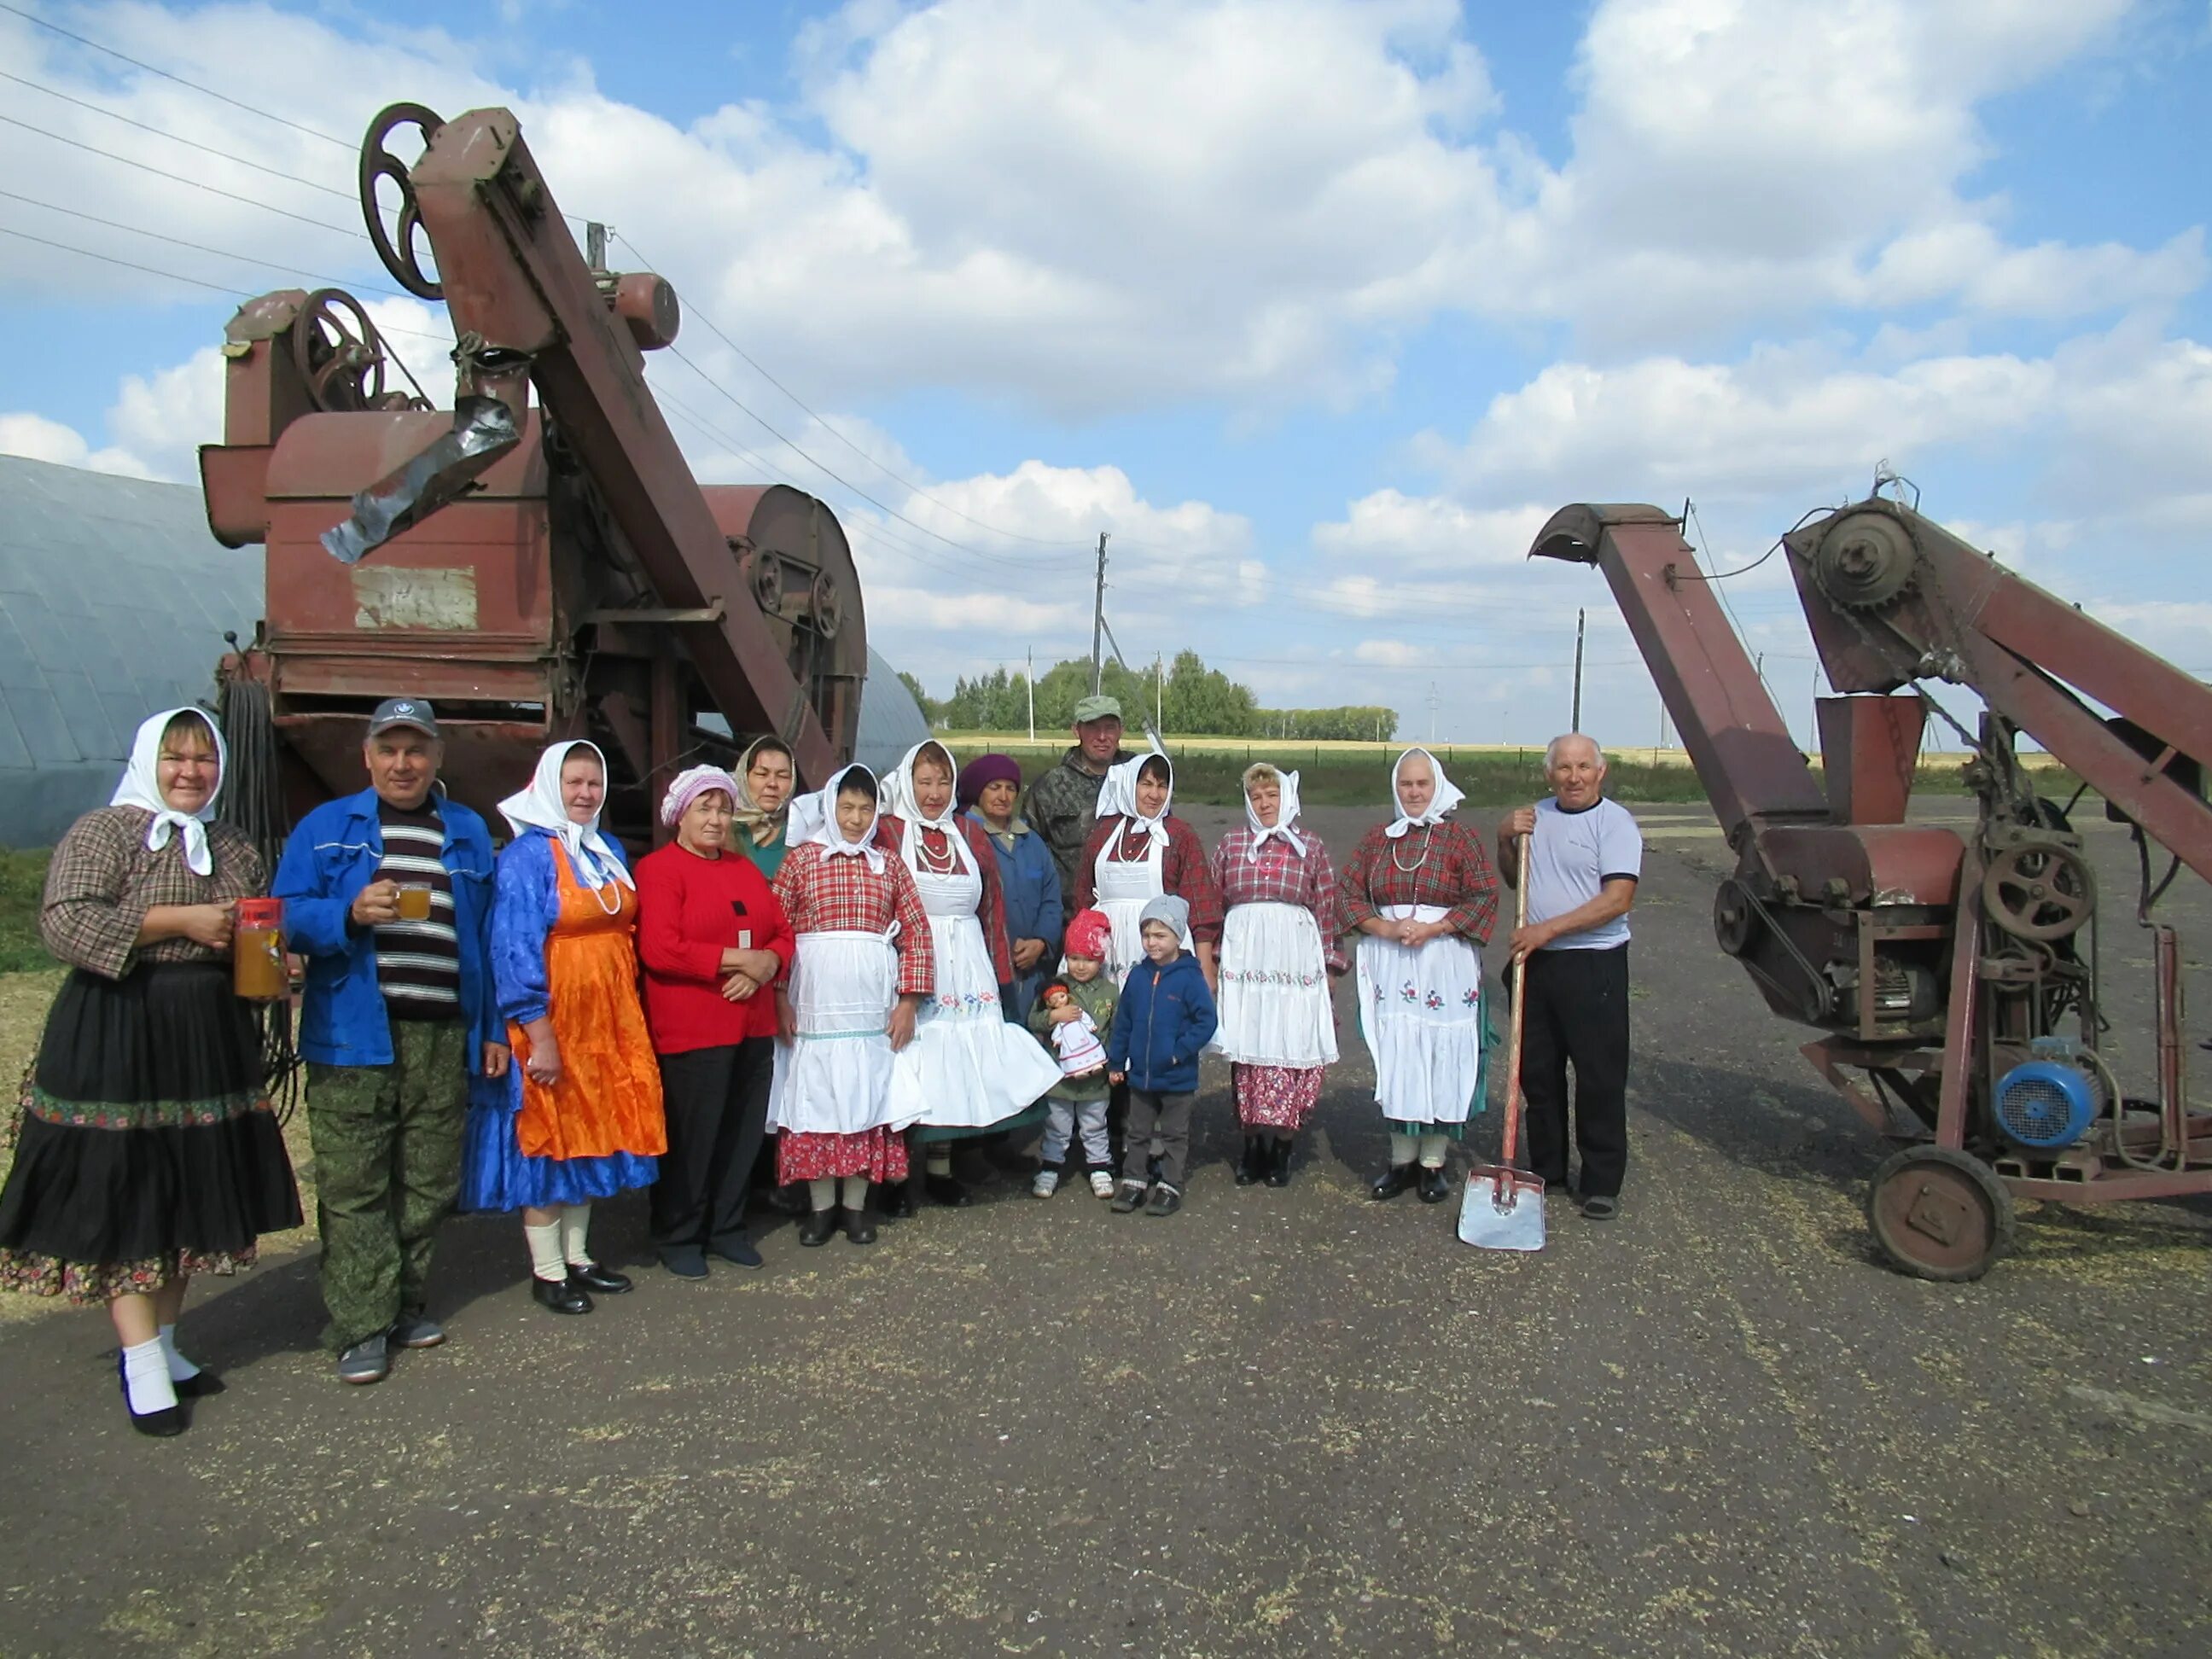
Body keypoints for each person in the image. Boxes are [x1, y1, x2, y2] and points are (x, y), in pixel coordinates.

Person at [0, 708, 301, 1436]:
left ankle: (167, 1343)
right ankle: (138, 1359)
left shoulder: (232, 847)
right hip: (120, 1024)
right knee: (130, 1185)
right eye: (176, 758)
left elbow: (246, 937)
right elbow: (65, 919)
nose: (191, 772)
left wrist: (276, 968)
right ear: (149, 761)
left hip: (205, 1031)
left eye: (203, 759)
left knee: (190, 1182)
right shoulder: (105, 831)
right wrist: (177, 922)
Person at [273, 698, 507, 1384]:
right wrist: (345, 912)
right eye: (389, 749)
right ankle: (361, 1325)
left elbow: (487, 944)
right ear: (367, 757)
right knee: (355, 1182)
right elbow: (282, 914)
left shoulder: (465, 831)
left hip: (443, 1034)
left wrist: (491, 1029)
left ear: (437, 758)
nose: (402, 763)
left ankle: (404, 1302)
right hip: (354, 1034)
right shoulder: (327, 828)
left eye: (415, 750)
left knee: (428, 1180)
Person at [466, 742, 665, 1314]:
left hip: (609, 1018)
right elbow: (512, 946)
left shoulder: (607, 850)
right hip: (557, 1016)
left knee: (594, 1126)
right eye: (575, 783)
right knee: (551, 1139)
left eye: (594, 784)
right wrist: (539, 1032)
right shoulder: (528, 857)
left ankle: (579, 1256)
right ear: (551, 785)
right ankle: (547, 1271)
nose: (585, 794)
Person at [877, 741, 1061, 1208]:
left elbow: (991, 907)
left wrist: (1000, 977)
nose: (934, 792)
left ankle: (941, 1169)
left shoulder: (968, 833)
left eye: (943, 781)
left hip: (968, 961)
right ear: (907, 783)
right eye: (924, 782)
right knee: (910, 1063)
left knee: (954, 1064)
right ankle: (895, 1178)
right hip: (912, 958)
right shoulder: (889, 833)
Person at [635, 765, 795, 1278]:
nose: (715, 818)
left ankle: (727, 1226)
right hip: (694, 1025)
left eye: (724, 808)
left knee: (741, 1130)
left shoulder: (742, 868)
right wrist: (736, 960)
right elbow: (661, 948)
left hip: (750, 1021)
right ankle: (680, 1231)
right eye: (704, 808)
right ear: (680, 815)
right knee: (694, 1134)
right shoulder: (661, 870)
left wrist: (766, 965)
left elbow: (781, 932)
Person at [767, 765, 934, 1245]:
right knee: (817, 1096)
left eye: (866, 808)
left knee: (866, 1093)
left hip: (870, 1008)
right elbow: (776, 932)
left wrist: (907, 1001)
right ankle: (821, 1208)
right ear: (829, 808)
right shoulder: (801, 861)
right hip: (814, 1002)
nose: (857, 818)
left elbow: (917, 934)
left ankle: (856, 1207)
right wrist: (778, 997)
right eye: (847, 807)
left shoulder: (890, 864)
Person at [1337, 747, 1499, 1205]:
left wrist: (1436, 927)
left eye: (1422, 784)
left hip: (1443, 960)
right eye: (1406, 784)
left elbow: (1483, 896)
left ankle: (1433, 1162)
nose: (1413, 792)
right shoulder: (1378, 841)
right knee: (1400, 1053)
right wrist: (1387, 927)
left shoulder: (1459, 839)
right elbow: (1348, 894)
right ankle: (1400, 1160)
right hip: (1393, 962)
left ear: (1437, 786)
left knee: (1440, 1055)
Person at [1499, 734, 1642, 1221]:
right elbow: (1515, 879)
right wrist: (1504, 838)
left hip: (1592, 962)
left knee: (1599, 1075)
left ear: (1600, 772)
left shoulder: (1615, 823)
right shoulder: (1535, 818)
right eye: (1564, 768)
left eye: (1583, 767)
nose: (1574, 777)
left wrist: (1548, 929)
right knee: (1537, 1074)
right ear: (1549, 773)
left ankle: (1601, 1181)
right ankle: (1548, 1171)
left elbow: (1618, 899)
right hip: (1538, 964)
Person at [1209, 765, 1344, 1189]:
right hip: (1245, 962)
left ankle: (1283, 1145)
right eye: (1256, 797)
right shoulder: (1232, 843)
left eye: (1272, 795)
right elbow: (1213, 904)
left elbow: (1326, 905)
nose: (1265, 804)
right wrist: (1210, 959)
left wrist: (1330, 964)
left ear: (1287, 797)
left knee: (1292, 1041)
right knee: (1249, 1049)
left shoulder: (1311, 847)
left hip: (1294, 960)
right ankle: (1252, 1145)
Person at [1103, 895, 1217, 1217]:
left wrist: (1178, 1051)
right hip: (1140, 1075)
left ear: (1178, 937)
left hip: (1176, 1077)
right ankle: (1134, 1181)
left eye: (1160, 935)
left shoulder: (1189, 978)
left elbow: (1206, 1021)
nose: (1151, 943)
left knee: (1173, 1134)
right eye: (1147, 935)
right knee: (1137, 1132)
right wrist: (1117, 1061)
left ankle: (1170, 1184)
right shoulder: (1138, 977)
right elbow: (1124, 1021)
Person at [1074, 750, 1222, 987]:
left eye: (1162, 786)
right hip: (1106, 952)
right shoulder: (1103, 834)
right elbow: (1081, 899)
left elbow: (1201, 906)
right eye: (1146, 784)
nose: (1155, 794)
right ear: (1130, 785)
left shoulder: (1179, 835)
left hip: (1163, 953)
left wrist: (1205, 967)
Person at [959, 751, 1062, 1020]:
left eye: (1010, 788)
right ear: (977, 792)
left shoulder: (1032, 842)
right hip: (982, 964)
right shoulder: (964, 837)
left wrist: (1041, 942)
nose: (1003, 796)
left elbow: (1051, 898)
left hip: (1030, 969)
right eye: (994, 788)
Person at [1026, 909, 1119, 1200]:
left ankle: (1099, 1167)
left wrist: (1115, 1064)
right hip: (1061, 1077)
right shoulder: (1057, 988)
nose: (1080, 966)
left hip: (1095, 1077)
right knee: (1057, 1124)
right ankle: (1051, 1166)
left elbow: (1117, 1029)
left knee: (1095, 1124)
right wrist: (1054, 1017)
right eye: (1075, 958)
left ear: (1100, 959)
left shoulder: (1110, 991)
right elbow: (1034, 1020)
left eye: (1089, 959)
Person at [1022, 695, 1135, 922]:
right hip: (1068, 918)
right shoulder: (1050, 787)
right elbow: (1028, 856)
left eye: (1110, 728)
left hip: (1132, 916)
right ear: (1076, 730)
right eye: (1092, 728)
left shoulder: (1141, 780)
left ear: (1121, 730)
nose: (1102, 737)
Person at [731, 736, 797, 879]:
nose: (772, 783)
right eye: (762, 774)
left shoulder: (801, 836)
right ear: (744, 777)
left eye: (783, 776)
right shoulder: (723, 831)